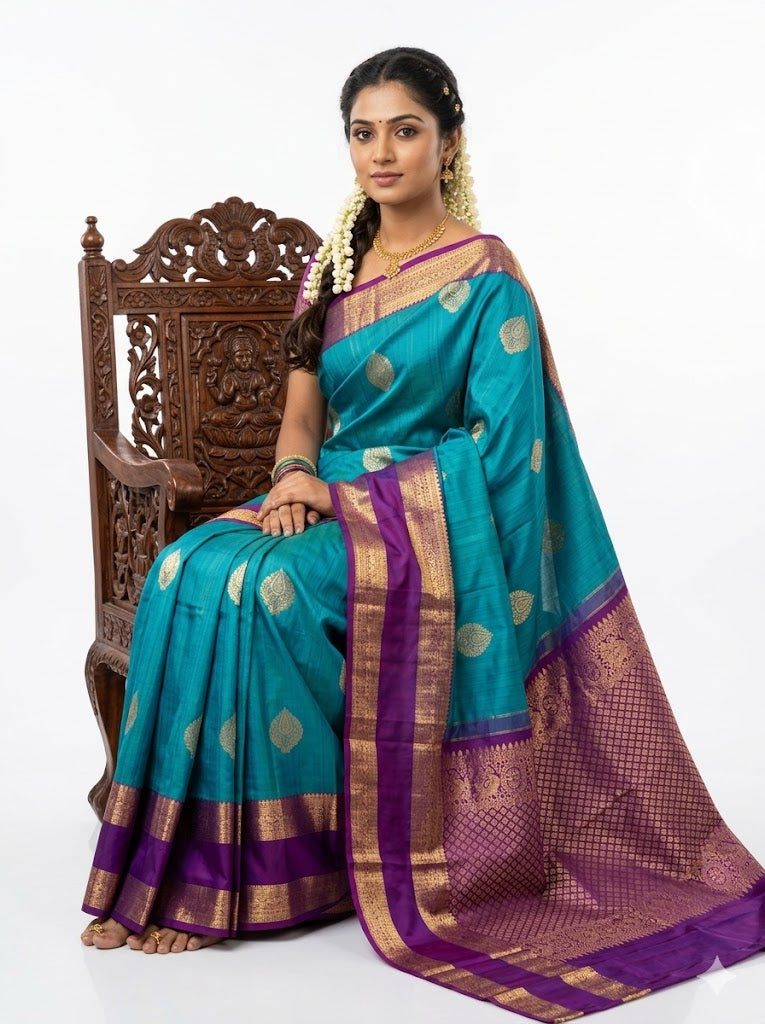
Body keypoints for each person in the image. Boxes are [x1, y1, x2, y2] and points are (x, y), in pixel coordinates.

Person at [81, 47, 765, 1020]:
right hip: (326, 497)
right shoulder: (333, 266)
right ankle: (195, 856)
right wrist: (289, 476)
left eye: (404, 129)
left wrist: (350, 498)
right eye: (363, 133)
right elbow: (303, 413)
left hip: (424, 530)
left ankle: (292, 866)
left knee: (266, 589)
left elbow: (503, 451)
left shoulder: (486, 277)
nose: (382, 152)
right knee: (186, 564)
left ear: (447, 141)